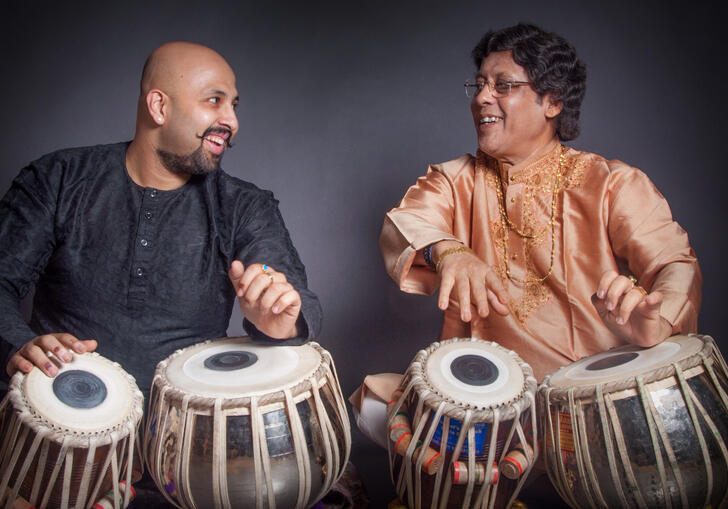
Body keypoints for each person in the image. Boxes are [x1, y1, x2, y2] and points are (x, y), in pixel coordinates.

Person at [379, 23, 701, 381]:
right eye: (480, 84)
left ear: (553, 101)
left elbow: (675, 263)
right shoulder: (456, 180)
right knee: (375, 402)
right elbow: (404, 222)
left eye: (503, 85)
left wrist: (660, 321)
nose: (482, 97)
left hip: (588, 392)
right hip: (484, 395)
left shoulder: (610, 184)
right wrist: (446, 251)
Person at [0, 42, 322, 395]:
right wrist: (17, 343)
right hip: (60, 413)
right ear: (159, 106)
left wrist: (280, 320)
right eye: (214, 101)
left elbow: (299, 300)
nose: (231, 121)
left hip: (184, 432)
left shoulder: (244, 206)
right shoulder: (58, 179)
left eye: (233, 105)